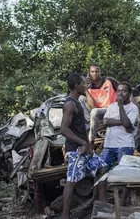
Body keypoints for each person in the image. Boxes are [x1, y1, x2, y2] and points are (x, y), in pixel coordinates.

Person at [61, 73, 107, 219]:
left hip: (84, 148)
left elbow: (80, 128)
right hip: (75, 149)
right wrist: (81, 143)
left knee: (102, 168)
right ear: (76, 86)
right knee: (72, 181)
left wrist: (88, 145)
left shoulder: (77, 102)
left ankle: (103, 205)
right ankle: (65, 215)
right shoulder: (69, 104)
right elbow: (64, 129)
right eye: (82, 83)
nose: (85, 86)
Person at [101, 82, 139, 205]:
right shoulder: (111, 106)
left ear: (129, 93)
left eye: (124, 91)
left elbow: (128, 124)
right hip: (109, 145)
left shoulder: (133, 108)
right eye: (119, 91)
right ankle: (103, 202)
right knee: (102, 172)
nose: (121, 93)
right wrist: (121, 121)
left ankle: (122, 202)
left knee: (125, 174)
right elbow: (105, 121)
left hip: (125, 145)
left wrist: (121, 106)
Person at [85, 64, 119, 142]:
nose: (95, 74)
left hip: (110, 109)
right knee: (81, 99)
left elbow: (123, 89)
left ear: (100, 72)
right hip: (96, 110)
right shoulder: (88, 85)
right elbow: (93, 106)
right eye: (92, 72)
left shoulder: (109, 81)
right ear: (89, 73)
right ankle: (89, 123)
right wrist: (85, 89)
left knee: (95, 111)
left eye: (97, 71)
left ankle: (91, 140)